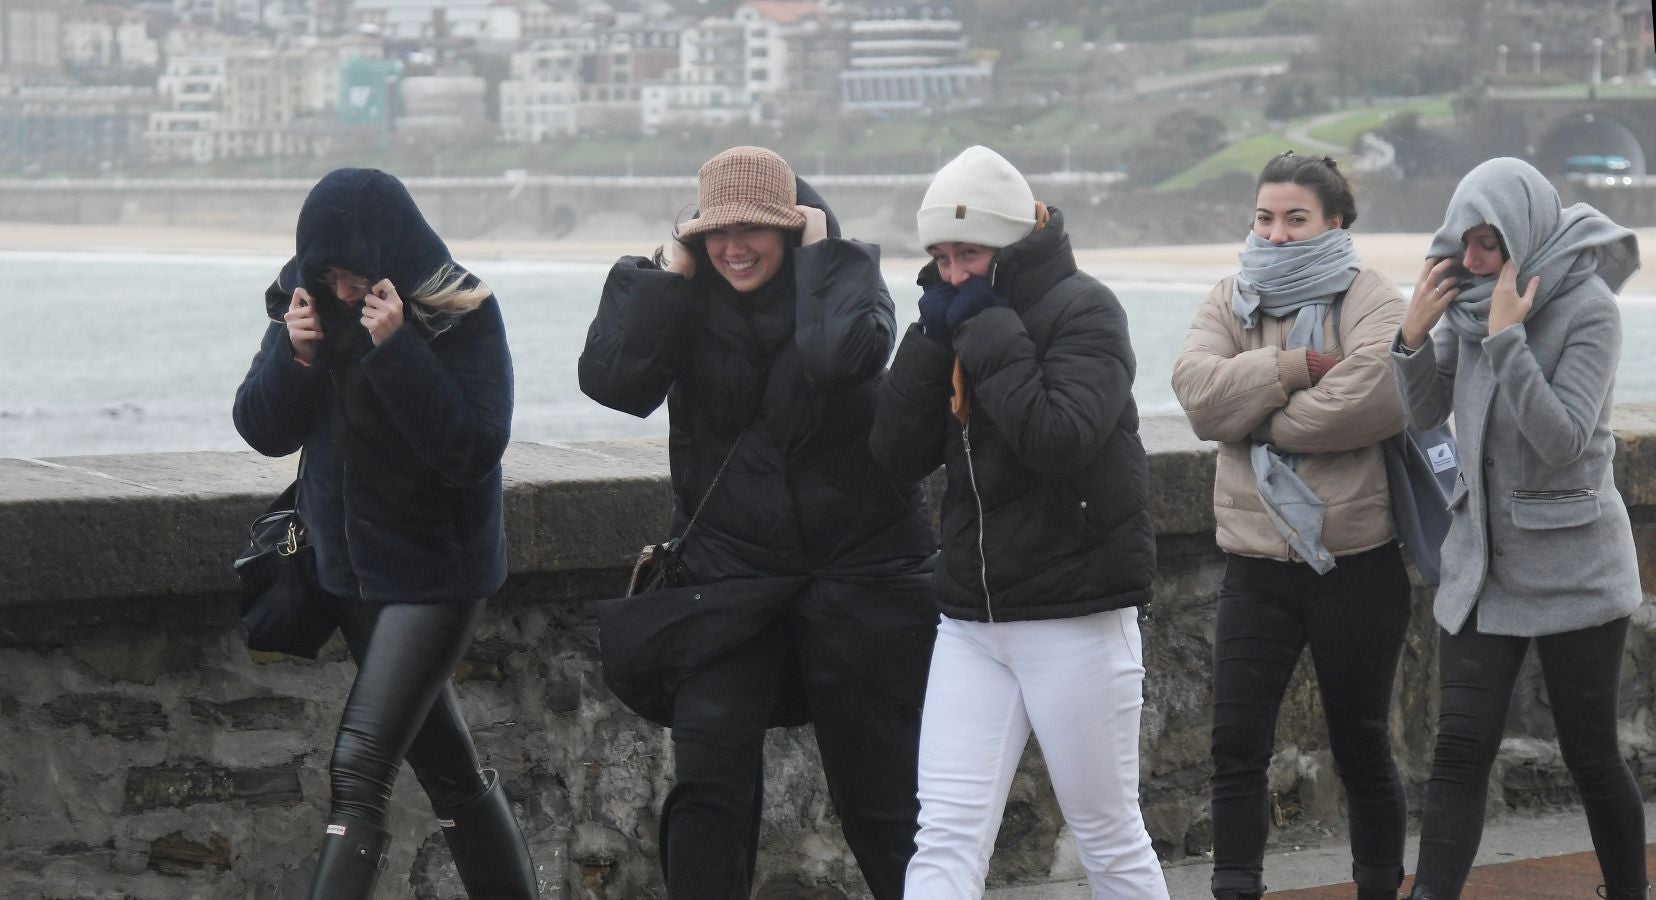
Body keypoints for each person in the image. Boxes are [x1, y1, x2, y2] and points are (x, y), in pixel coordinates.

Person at [577, 146, 937, 899]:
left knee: (882, 800)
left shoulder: (846, 282)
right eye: (717, 232)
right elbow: (612, 383)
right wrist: (668, 272)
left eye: (753, 230)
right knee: (709, 789)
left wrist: (822, 257)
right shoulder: (684, 296)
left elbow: (841, 359)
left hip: (858, 576)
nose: (733, 248)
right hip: (727, 574)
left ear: (793, 227)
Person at [870, 145, 1168, 900]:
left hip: (1077, 614)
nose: (952, 274)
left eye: (968, 254)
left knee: (1106, 834)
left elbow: (1059, 437)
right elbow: (896, 452)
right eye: (940, 258)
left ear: (1008, 242)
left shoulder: (1085, 309)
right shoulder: (955, 318)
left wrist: (986, 328)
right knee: (944, 834)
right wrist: (931, 338)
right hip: (972, 620)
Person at [233, 168, 535, 900]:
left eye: (357, 276)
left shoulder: (459, 307)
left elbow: (473, 449)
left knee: (359, 769)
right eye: (328, 275)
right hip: (350, 574)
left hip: (436, 576)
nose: (343, 291)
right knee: (450, 772)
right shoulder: (305, 303)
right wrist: (296, 355)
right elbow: (262, 430)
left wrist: (398, 349)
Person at [1392, 157, 1646, 900]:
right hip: (1483, 563)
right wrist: (1412, 340)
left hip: (1576, 568)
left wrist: (1507, 340)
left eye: (1488, 245)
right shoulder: (1469, 303)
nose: (1471, 262)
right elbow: (1427, 412)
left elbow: (1563, 440)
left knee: (1590, 754)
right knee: (1459, 750)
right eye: (1463, 243)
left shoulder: (1589, 307)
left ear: (1524, 237)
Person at [1170, 151, 1412, 900]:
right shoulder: (1229, 297)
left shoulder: (1372, 297)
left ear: (1335, 222)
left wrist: (1254, 420)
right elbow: (1198, 396)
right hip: (1255, 568)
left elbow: (1370, 400)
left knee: (1361, 746)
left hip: (1356, 566)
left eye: (1296, 218)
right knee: (1235, 748)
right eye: (1265, 217)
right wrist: (1294, 367)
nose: (1275, 233)